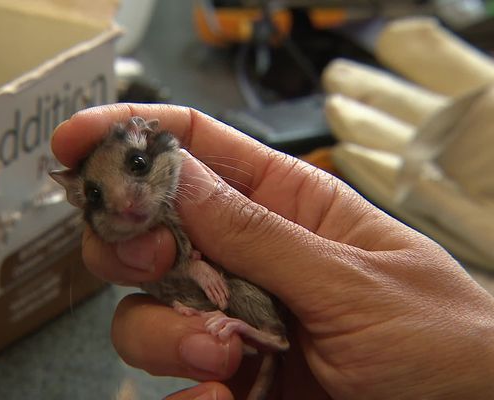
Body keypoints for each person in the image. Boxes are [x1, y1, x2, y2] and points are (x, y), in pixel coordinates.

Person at [51, 103, 494, 400]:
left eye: (137, 167)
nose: (126, 202)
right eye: (96, 195)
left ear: (155, 145)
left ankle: (265, 335)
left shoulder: (193, 186)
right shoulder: (134, 239)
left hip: (258, 304)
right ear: (80, 202)